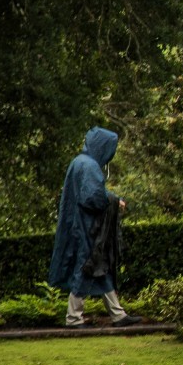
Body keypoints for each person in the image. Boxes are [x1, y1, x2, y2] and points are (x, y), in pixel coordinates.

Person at [49, 127, 144, 328]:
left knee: (101, 267)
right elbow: (93, 197)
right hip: (87, 227)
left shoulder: (79, 162)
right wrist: (114, 201)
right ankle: (73, 318)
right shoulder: (89, 166)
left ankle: (118, 315)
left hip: (79, 224)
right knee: (89, 266)